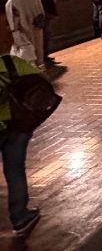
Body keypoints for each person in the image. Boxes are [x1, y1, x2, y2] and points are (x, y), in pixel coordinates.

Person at [0, 55, 42, 236]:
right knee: (15, 170)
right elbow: (41, 81)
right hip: (17, 125)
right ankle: (19, 217)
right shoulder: (11, 63)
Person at [4, 0, 45, 67]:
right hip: (36, 23)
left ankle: (30, 68)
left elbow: (14, 12)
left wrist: (14, 27)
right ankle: (40, 65)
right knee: (38, 45)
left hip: (22, 26)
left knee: (26, 48)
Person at [29, 0, 57, 64]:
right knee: (43, 36)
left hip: (47, 15)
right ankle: (43, 55)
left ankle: (45, 54)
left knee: (46, 35)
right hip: (43, 16)